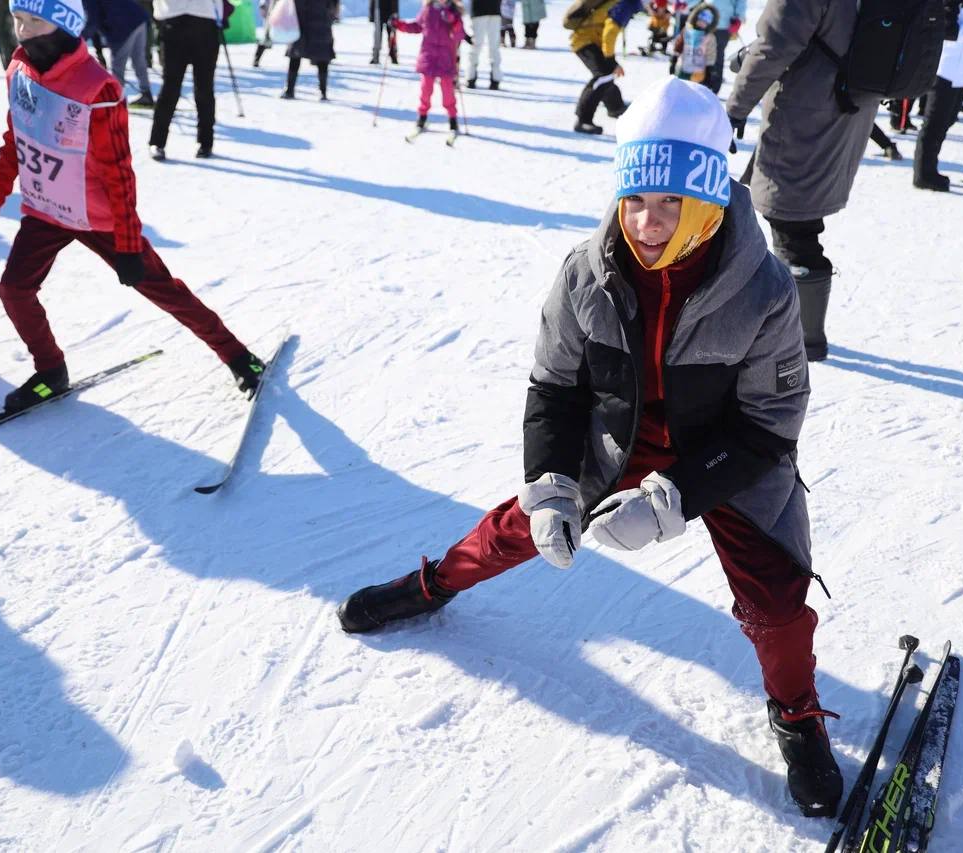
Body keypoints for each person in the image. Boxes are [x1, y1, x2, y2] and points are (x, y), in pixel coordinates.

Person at [338, 77, 843, 819]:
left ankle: (796, 713)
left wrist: (678, 496)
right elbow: (554, 385)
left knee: (776, 595)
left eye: (671, 201)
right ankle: (435, 583)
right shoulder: (587, 270)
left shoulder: (763, 289)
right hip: (620, 440)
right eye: (634, 198)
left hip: (725, 459)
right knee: (522, 523)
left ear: (707, 201)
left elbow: (770, 423)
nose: (647, 221)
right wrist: (549, 481)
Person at [0, 1, 266, 413]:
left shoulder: (97, 88)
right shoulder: (19, 69)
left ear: (65, 24)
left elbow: (119, 174)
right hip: (46, 209)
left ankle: (238, 356)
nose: (23, 31)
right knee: (14, 289)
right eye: (18, 20)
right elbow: (17, 139)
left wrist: (127, 245)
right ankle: (51, 371)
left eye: (35, 21)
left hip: (99, 217)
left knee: (161, 289)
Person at [726, 0, 881, 362]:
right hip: (851, 104)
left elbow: (773, 47)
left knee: (792, 222)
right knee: (800, 218)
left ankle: (800, 338)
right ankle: (798, 330)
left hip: (806, 112)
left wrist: (735, 109)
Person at [913, 0, 963, 192]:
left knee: (947, 120)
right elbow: (948, 31)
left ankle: (929, 169)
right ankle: (924, 174)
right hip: (945, 69)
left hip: (962, 70)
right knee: (934, 124)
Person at [148, 0, 222, 160]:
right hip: (174, 18)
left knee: (204, 87)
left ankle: (205, 142)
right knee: (170, 87)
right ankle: (157, 142)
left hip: (204, 20)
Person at [569, 0, 644, 134]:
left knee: (607, 74)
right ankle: (583, 120)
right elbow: (610, 32)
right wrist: (611, 61)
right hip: (585, 41)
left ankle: (615, 107)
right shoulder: (625, 4)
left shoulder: (624, 3)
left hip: (589, 39)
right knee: (603, 76)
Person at [393, 0, 466, 134]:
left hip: (446, 57)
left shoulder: (454, 11)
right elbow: (417, 26)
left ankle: (453, 119)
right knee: (426, 90)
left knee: (448, 92)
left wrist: (454, 22)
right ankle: (422, 116)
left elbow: (460, 34)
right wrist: (399, 25)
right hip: (429, 56)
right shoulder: (428, 9)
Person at [83, 0, 155, 107]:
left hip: (123, 26)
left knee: (118, 66)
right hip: (138, 17)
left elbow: (93, 22)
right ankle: (146, 93)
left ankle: (116, 99)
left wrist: (79, 39)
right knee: (138, 59)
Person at [281, 0, 337, 101]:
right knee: (321, 55)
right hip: (318, 17)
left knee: (296, 54)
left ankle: (290, 90)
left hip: (302, 17)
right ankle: (323, 92)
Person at [702, 0, 744, 93]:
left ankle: (714, 86)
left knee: (717, 55)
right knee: (703, 53)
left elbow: (741, 3)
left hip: (723, 25)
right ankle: (703, 82)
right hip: (706, 22)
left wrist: (738, 18)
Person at [672, 3, 718, 82]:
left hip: (698, 71)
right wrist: (674, 59)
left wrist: (710, 68)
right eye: (700, 20)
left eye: (705, 22)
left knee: (694, 87)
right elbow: (679, 44)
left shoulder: (709, 37)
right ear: (695, 18)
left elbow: (711, 53)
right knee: (680, 84)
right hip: (683, 67)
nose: (702, 23)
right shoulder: (687, 31)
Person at [467, 0, 503, 89]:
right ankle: (471, 76)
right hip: (483, 11)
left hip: (489, 11)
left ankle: (495, 78)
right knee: (478, 44)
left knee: (491, 45)